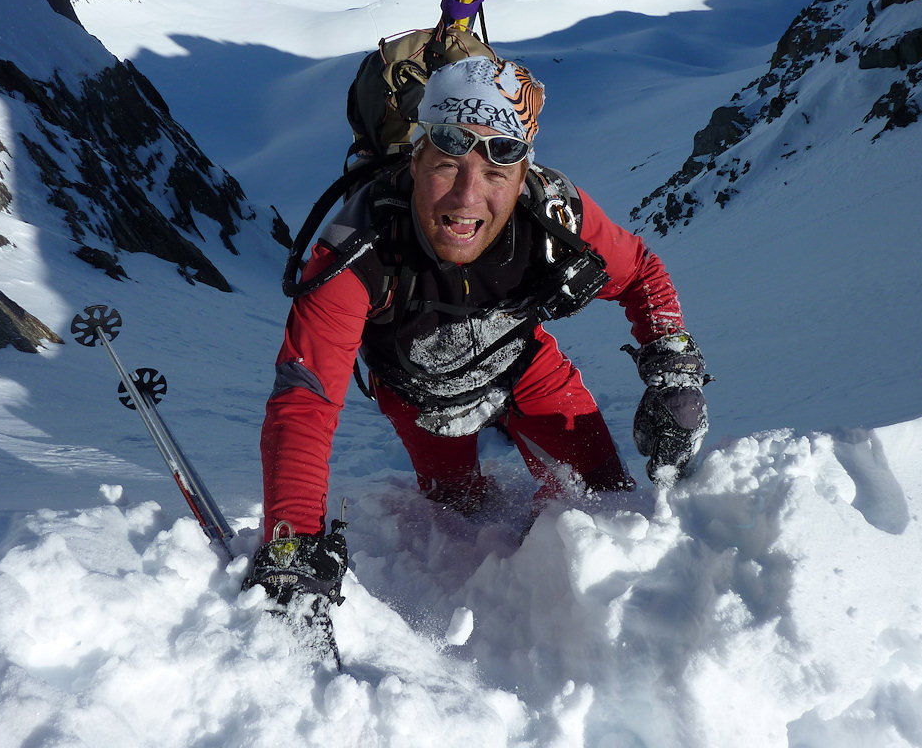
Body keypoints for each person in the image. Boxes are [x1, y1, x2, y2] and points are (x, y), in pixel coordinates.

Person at [244, 56, 709, 609]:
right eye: (447, 161)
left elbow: (640, 274)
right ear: (416, 159)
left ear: (522, 177)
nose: (466, 198)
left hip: (526, 369)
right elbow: (305, 400)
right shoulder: (356, 249)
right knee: (460, 516)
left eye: (496, 171)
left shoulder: (553, 215)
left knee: (606, 507)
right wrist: (294, 542)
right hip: (419, 398)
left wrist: (674, 371)